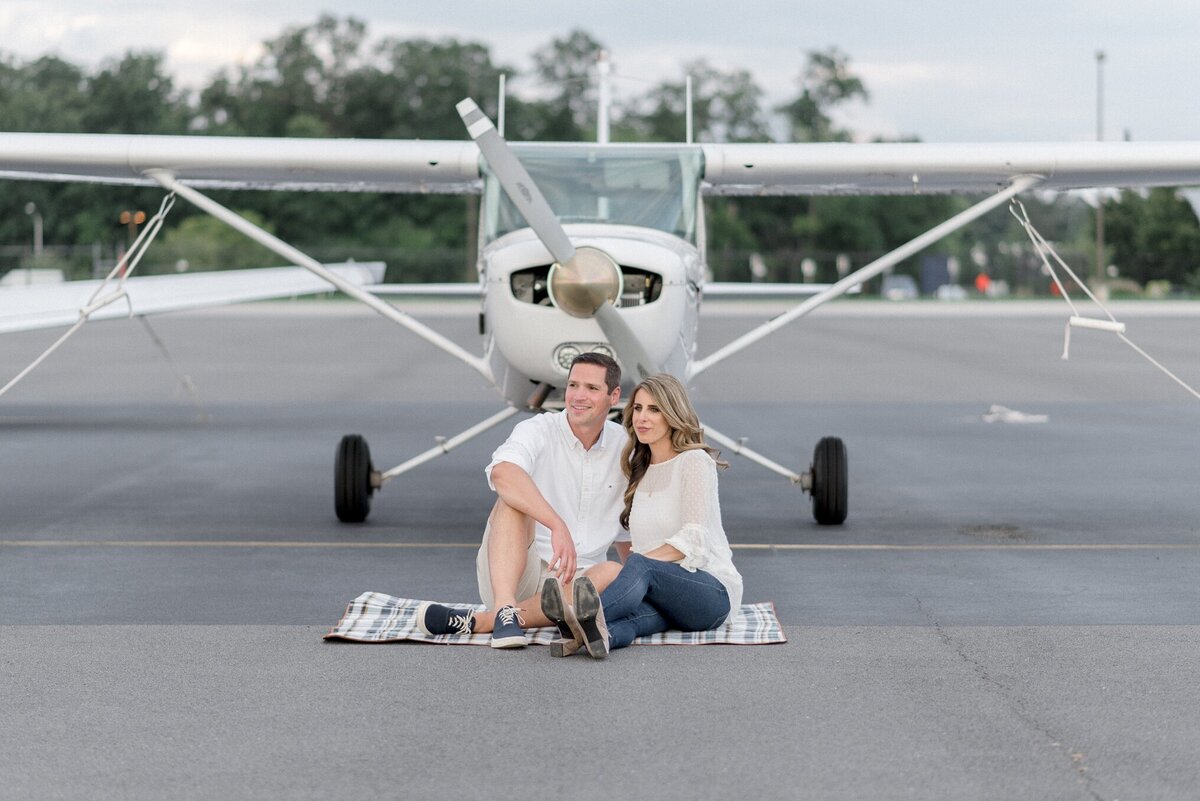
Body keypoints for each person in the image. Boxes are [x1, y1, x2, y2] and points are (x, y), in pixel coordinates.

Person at [416, 352, 630, 648]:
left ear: (613, 395)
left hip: (576, 584)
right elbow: (503, 473)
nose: (579, 396)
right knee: (512, 500)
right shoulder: (539, 429)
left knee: (614, 571)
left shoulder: (626, 448)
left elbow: (626, 531)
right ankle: (504, 609)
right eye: (573, 385)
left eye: (592, 388)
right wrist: (556, 524)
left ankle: (484, 621)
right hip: (518, 573)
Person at [542, 373, 743, 658]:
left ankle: (576, 618)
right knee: (631, 622)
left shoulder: (694, 461)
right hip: (666, 596)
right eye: (637, 408)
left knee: (640, 564)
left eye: (654, 409)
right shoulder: (640, 472)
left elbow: (693, 539)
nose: (642, 418)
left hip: (710, 594)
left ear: (673, 414)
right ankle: (593, 636)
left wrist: (639, 566)